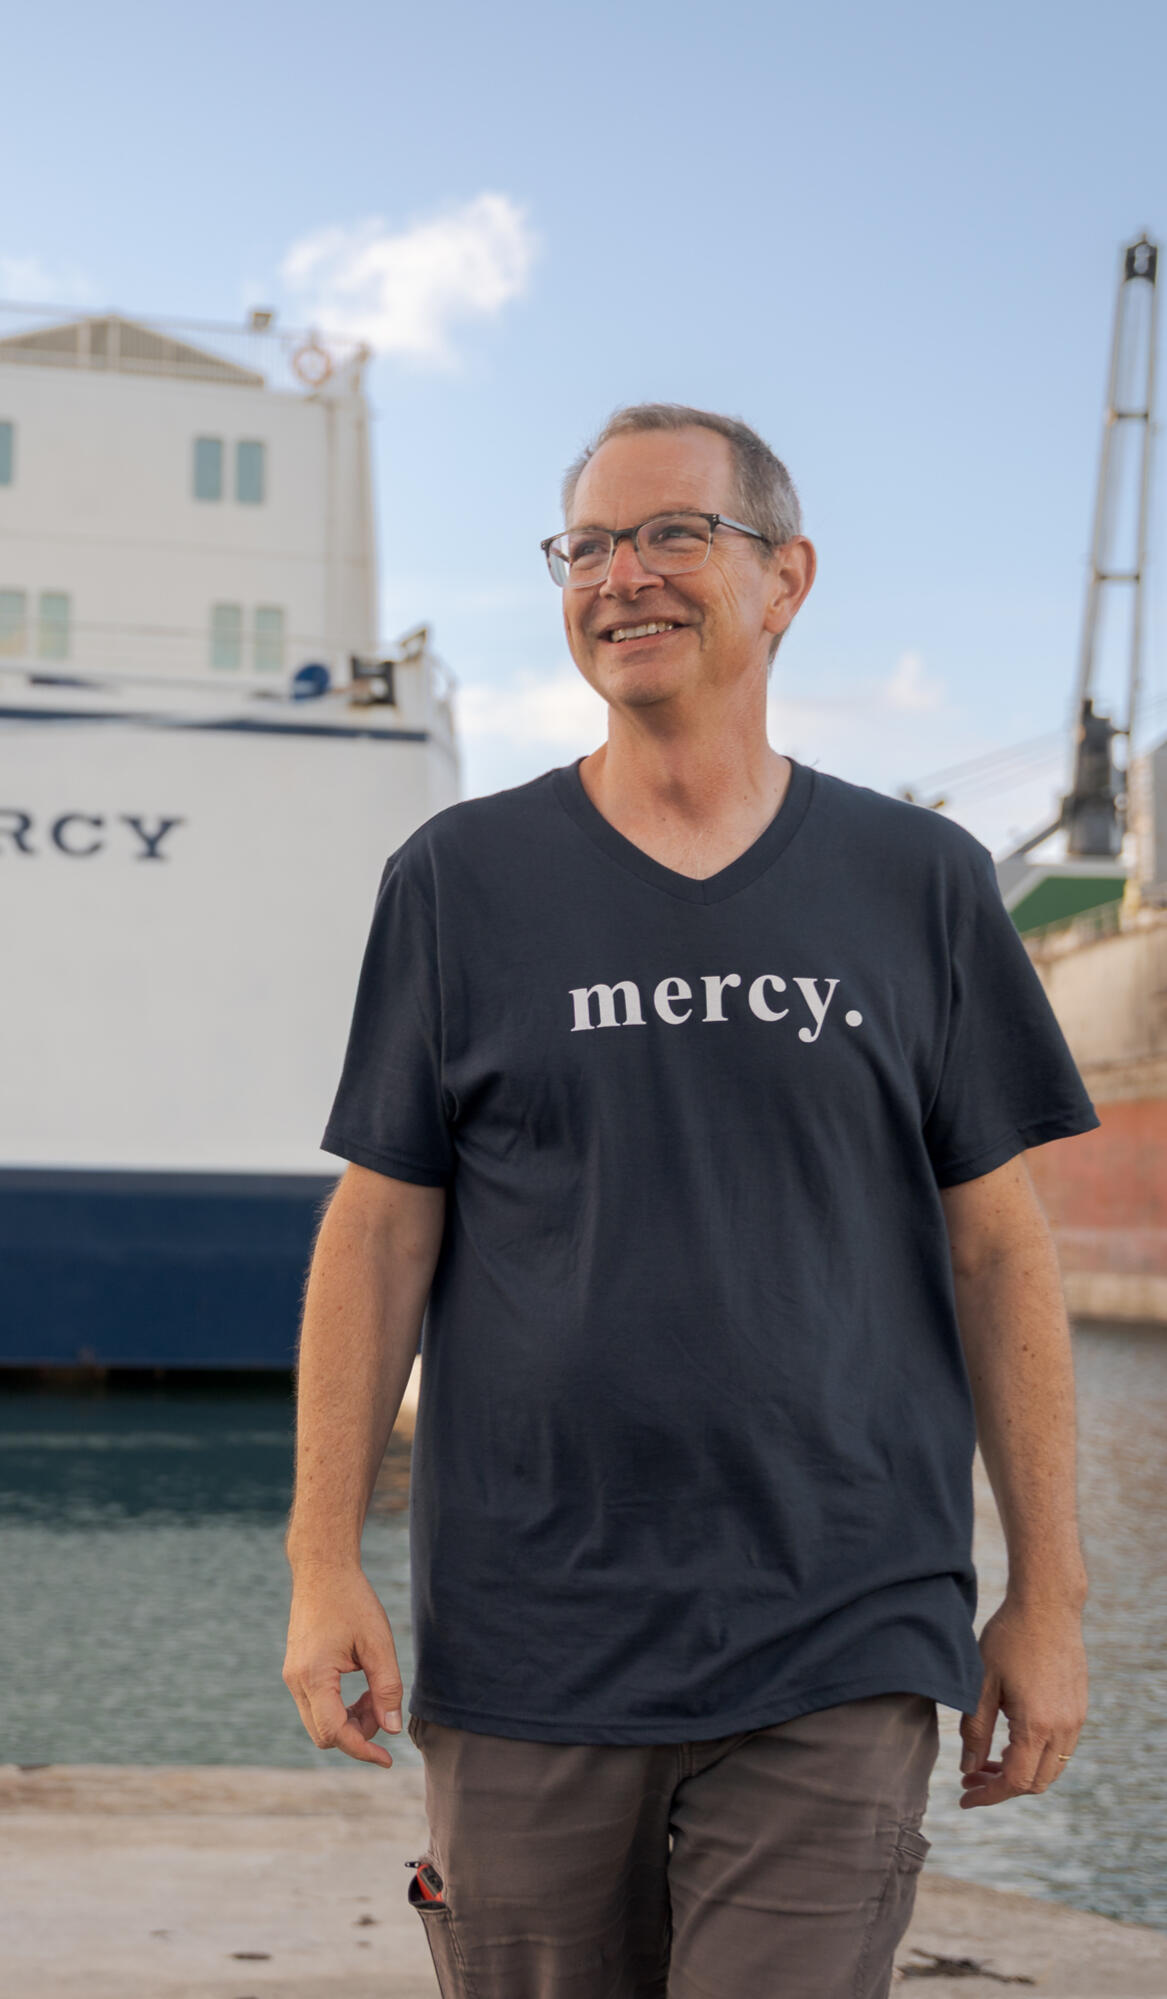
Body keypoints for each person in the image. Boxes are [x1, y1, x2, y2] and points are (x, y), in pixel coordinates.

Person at [283, 404, 1096, 1998]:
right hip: (528, 1640)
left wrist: (1047, 1600)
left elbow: (999, 1250)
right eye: (585, 546)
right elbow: (379, 1234)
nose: (622, 576)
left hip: (841, 1628)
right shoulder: (460, 881)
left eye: (671, 535)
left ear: (785, 580)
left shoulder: (919, 883)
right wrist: (323, 1563)